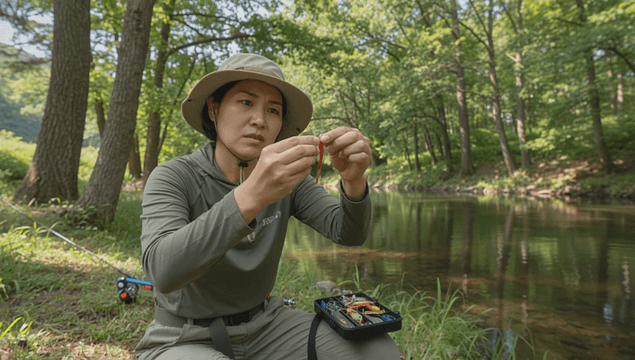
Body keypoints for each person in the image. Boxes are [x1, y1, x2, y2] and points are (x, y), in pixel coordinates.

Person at [134, 53, 401, 360]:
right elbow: (162, 271)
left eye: (273, 109)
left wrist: (354, 182)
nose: (259, 119)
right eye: (246, 102)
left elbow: (347, 232)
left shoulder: (291, 182)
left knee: (376, 349)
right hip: (184, 336)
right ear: (214, 108)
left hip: (267, 325)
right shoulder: (174, 176)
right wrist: (252, 195)